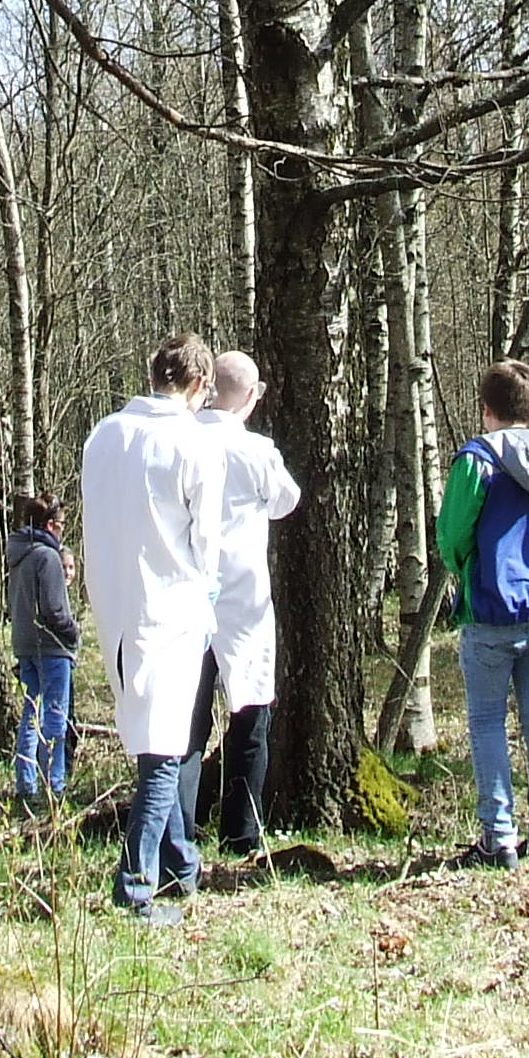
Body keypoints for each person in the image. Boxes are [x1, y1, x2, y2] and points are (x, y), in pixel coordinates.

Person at [80, 333, 226, 923]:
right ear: (199, 384)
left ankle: (181, 862)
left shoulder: (103, 435)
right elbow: (206, 541)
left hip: (115, 605)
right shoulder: (194, 443)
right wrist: (209, 590)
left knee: (150, 739)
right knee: (164, 751)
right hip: (171, 606)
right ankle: (136, 886)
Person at [434, 360, 529, 867]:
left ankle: (498, 836)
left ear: (486, 408)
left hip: (491, 606)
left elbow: (452, 534)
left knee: (487, 721)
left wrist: (465, 568)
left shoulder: (476, 460)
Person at [186, 351, 301, 854]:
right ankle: (241, 833)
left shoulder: (183, 439)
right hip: (243, 598)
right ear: (252, 396)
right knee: (250, 713)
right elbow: (286, 500)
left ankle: (179, 829)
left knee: (186, 719)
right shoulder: (256, 452)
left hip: (188, 592)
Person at [5, 492, 80, 806]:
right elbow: (54, 609)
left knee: (31, 715)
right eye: (61, 524)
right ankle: (55, 785)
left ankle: (26, 783)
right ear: (50, 525)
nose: (62, 529)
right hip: (51, 646)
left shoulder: (18, 555)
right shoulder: (47, 557)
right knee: (54, 717)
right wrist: (73, 631)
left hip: (25, 644)